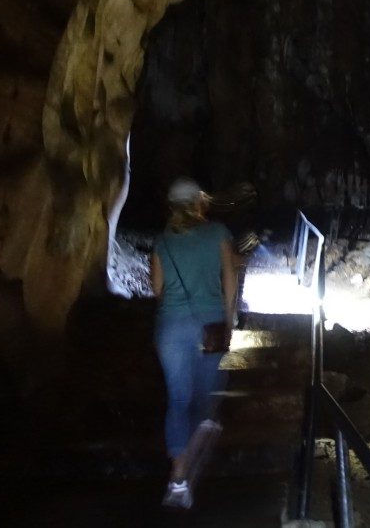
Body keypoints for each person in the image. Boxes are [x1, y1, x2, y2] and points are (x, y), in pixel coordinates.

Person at [151, 177, 237, 509]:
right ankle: (203, 429)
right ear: (200, 203)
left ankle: (178, 478)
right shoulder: (217, 233)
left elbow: (158, 290)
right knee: (206, 392)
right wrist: (229, 321)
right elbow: (230, 277)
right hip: (210, 324)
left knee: (177, 398)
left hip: (171, 329)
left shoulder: (162, 241)